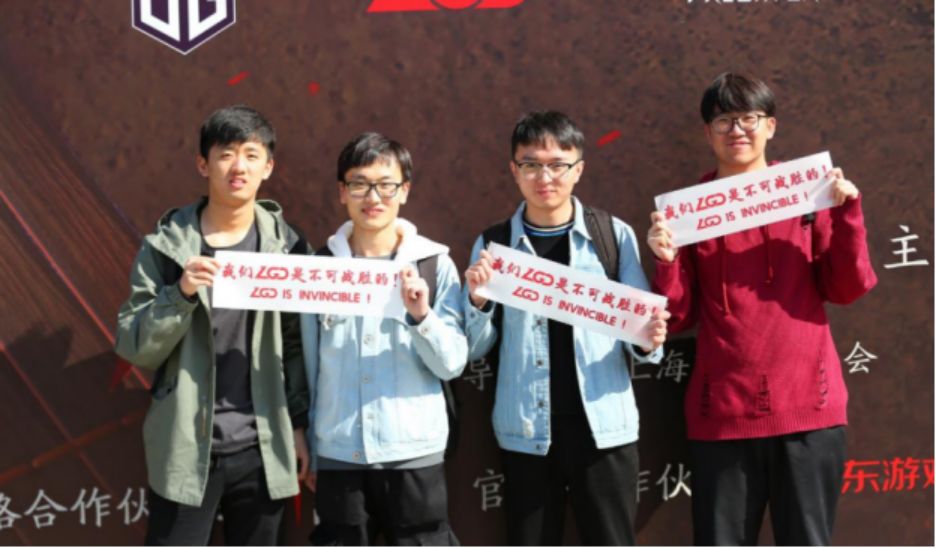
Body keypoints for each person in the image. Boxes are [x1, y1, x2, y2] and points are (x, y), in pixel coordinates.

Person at [647, 72, 878, 545]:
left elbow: (847, 287)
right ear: (707, 132)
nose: (737, 130)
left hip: (810, 412)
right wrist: (666, 261)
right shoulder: (689, 212)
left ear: (770, 126)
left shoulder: (807, 194)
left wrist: (847, 214)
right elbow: (679, 316)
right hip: (722, 417)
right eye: (723, 120)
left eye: (749, 118)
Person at [463, 111, 669, 545]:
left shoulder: (612, 236)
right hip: (526, 432)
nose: (545, 177)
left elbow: (643, 341)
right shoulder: (494, 245)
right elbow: (475, 348)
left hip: (603, 430)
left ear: (579, 169)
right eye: (531, 164)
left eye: (558, 164)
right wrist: (478, 303)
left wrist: (648, 340)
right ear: (514, 170)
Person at [114, 105, 310, 545]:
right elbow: (134, 345)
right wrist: (180, 294)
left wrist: (298, 425)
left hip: (263, 448)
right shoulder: (166, 247)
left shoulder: (289, 247)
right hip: (186, 447)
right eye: (225, 154)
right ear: (203, 164)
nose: (238, 166)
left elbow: (297, 344)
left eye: (251, 155)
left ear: (268, 167)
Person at [301, 132, 466, 545]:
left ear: (404, 191)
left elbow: (452, 364)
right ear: (342, 192)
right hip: (339, 453)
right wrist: (311, 442)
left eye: (386, 185)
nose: (373, 197)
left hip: (414, 455)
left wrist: (421, 316)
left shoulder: (433, 265)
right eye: (359, 184)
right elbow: (308, 363)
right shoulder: (318, 268)